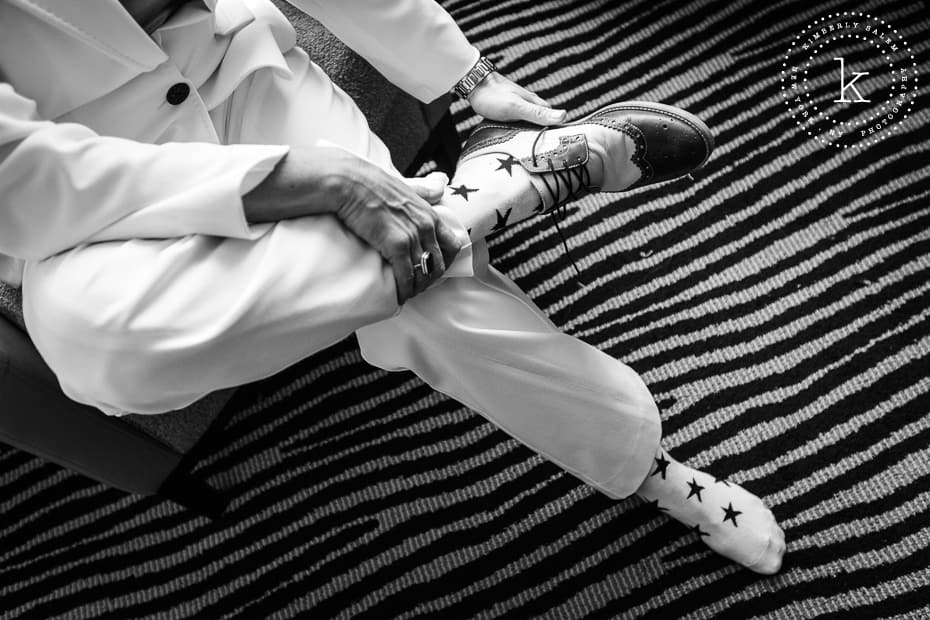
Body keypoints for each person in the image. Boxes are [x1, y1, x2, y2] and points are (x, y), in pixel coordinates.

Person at [0, 0, 785, 573]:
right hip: (88, 179)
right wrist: (301, 181)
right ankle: (498, 187)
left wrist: (466, 74)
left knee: (432, 305)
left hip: (237, 77)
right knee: (97, 351)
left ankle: (650, 471)